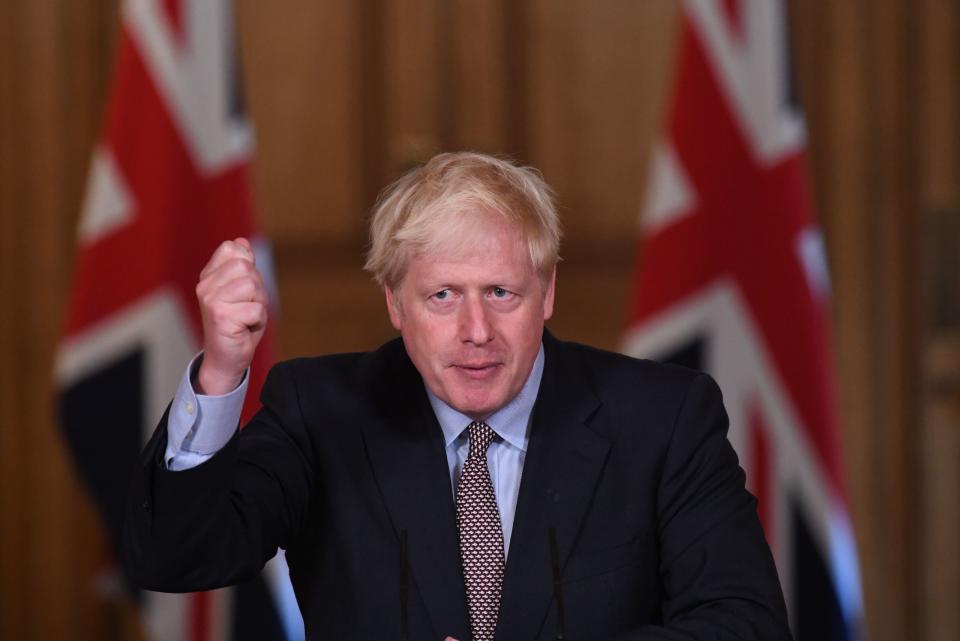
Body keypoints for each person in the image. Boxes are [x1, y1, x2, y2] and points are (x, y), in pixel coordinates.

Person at [122, 152, 792, 641]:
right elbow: (176, 557)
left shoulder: (663, 417)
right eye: (443, 296)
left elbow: (747, 624)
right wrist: (221, 371)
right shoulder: (319, 411)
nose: (477, 332)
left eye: (502, 292)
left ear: (547, 291)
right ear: (394, 302)